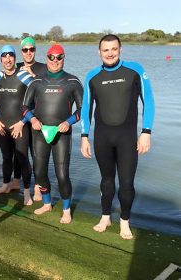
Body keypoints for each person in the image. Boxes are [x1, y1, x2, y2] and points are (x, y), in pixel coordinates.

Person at [80, 34, 155, 239]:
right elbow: (86, 107)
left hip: (127, 138)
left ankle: (124, 221)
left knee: (127, 182)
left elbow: (148, 100)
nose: (110, 53)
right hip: (102, 137)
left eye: (114, 49)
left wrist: (146, 132)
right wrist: (84, 136)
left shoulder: (135, 70)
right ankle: (105, 216)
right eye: (106, 50)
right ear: (99, 52)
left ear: (120, 49)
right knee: (106, 180)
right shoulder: (92, 76)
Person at [23, 44, 83, 223]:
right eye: (51, 57)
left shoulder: (72, 82)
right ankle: (47, 203)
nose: (55, 61)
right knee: (39, 172)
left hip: (61, 132)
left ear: (64, 58)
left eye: (59, 57)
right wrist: (32, 119)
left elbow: (82, 109)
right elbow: (24, 107)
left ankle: (66, 209)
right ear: (47, 58)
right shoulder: (36, 82)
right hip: (40, 131)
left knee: (62, 174)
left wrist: (68, 122)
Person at [0, 45, 34, 206]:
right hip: (2, 125)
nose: (8, 59)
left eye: (11, 56)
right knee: (7, 157)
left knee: (23, 159)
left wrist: (23, 122)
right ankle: (6, 185)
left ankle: (27, 192)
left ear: (15, 58)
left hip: (20, 126)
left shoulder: (24, 76)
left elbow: (35, 102)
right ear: (1, 59)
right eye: (4, 56)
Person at [15, 36, 48, 201]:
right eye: (25, 50)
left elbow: (47, 89)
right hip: (20, 119)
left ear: (35, 50)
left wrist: (32, 75)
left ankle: (37, 187)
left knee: (37, 154)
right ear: (21, 51)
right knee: (20, 154)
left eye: (31, 49)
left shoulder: (43, 68)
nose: (28, 53)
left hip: (36, 118)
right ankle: (18, 183)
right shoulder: (16, 67)